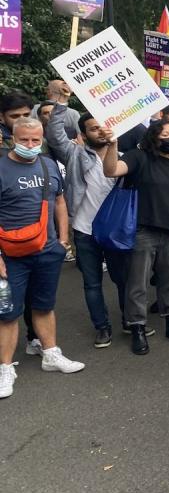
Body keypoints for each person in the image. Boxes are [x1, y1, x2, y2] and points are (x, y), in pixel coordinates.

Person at [0, 118, 83, 399]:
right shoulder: (1, 168)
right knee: (8, 313)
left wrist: (63, 239)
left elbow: (59, 201)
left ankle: (50, 353)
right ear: (13, 138)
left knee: (44, 305)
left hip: (47, 250)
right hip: (9, 255)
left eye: (36, 140)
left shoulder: (48, 164)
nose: (30, 145)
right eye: (24, 140)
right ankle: (5, 368)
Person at [45, 105, 132, 347]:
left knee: (123, 280)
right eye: (93, 129)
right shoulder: (74, 154)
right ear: (83, 135)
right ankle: (102, 327)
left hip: (115, 232)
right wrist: (61, 103)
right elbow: (54, 135)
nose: (100, 132)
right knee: (92, 284)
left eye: (103, 127)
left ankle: (130, 320)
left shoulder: (124, 157)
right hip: (84, 231)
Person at [100, 120, 169, 355]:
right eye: (164, 134)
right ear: (153, 137)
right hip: (142, 231)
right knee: (137, 283)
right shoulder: (138, 157)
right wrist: (112, 145)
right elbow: (110, 171)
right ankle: (137, 328)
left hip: (168, 230)